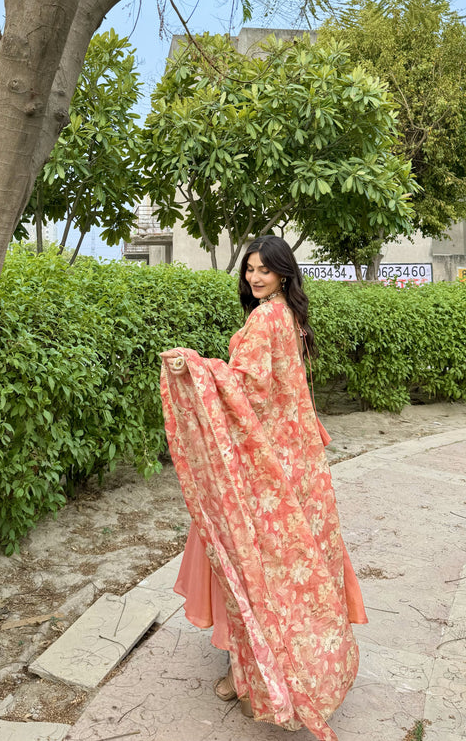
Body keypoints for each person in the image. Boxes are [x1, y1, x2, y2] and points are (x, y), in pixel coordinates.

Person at [160, 235, 367, 741]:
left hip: (267, 469)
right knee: (295, 564)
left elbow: (245, 388)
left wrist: (193, 365)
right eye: (250, 269)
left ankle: (252, 676)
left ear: (283, 273)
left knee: (253, 563)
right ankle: (292, 667)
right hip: (298, 462)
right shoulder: (291, 317)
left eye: (264, 270)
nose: (254, 278)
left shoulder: (265, 319)